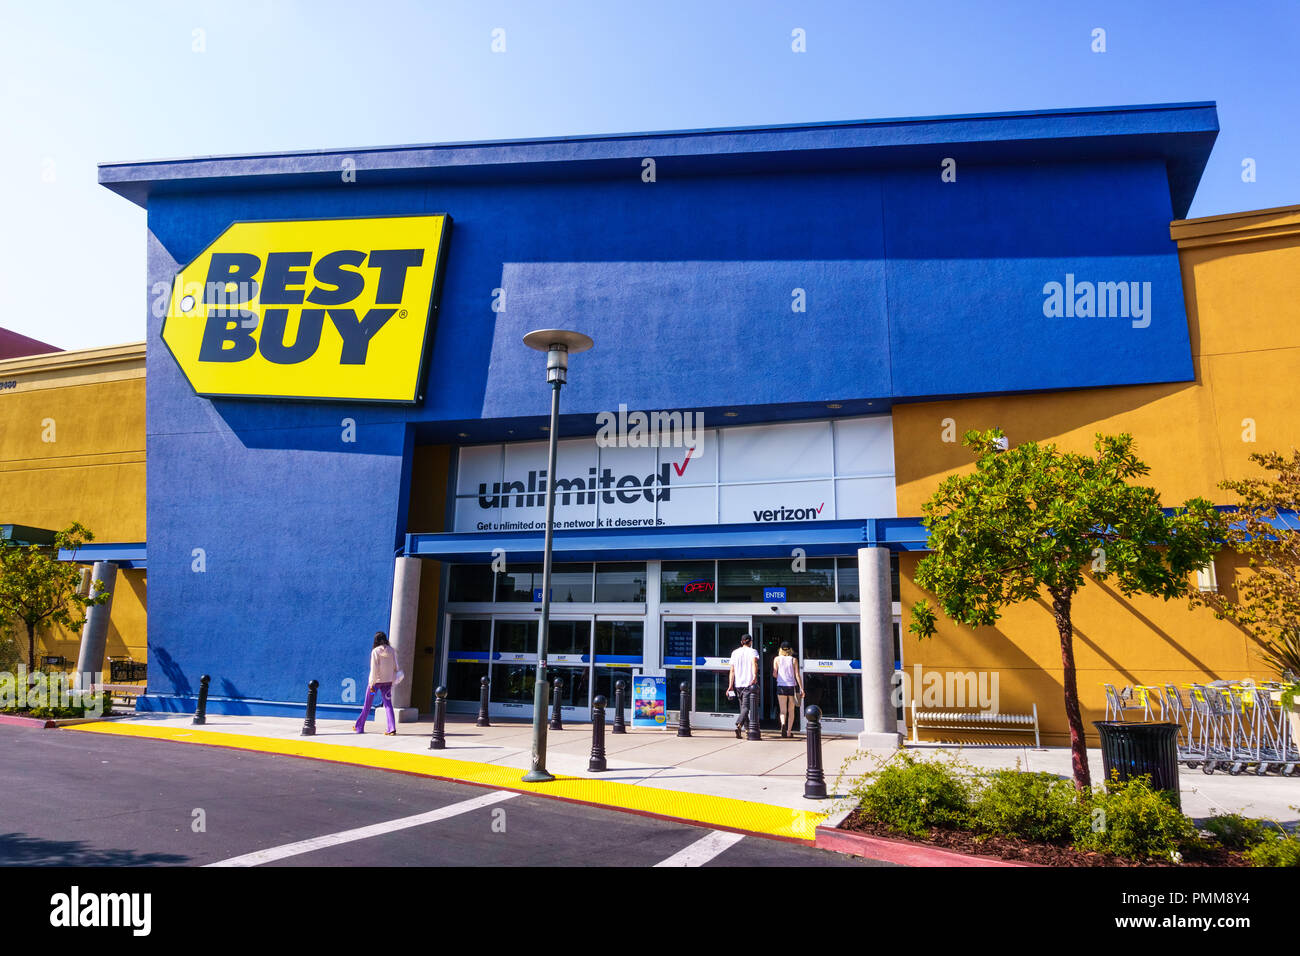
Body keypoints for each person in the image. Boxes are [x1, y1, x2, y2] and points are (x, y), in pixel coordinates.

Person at [354, 631, 404, 735]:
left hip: (376, 683)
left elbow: (374, 668)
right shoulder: (392, 650)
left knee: (367, 704)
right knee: (388, 705)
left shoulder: (375, 651)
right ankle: (391, 728)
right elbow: (396, 666)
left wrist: (371, 682)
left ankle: (359, 727)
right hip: (388, 682)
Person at [726, 633, 761, 740]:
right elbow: (754, 663)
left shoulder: (734, 653)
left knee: (743, 708)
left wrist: (730, 685)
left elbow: (732, 670)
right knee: (746, 708)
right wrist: (755, 676)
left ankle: (746, 730)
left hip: (738, 684)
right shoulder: (753, 651)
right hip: (748, 684)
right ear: (750, 642)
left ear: (741, 642)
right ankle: (739, 724)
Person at [772, 641, 804, 738]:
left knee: (782, 710)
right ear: (790, 649)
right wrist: (801, 688)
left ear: (781, 649)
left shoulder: (776, 659)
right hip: (791, 686)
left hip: (781, 686)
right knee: (791, 710)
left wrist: (779, 678)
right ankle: (789, 732)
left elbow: (774, 673)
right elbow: (797, 675)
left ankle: (782, 724)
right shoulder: (793, 660)